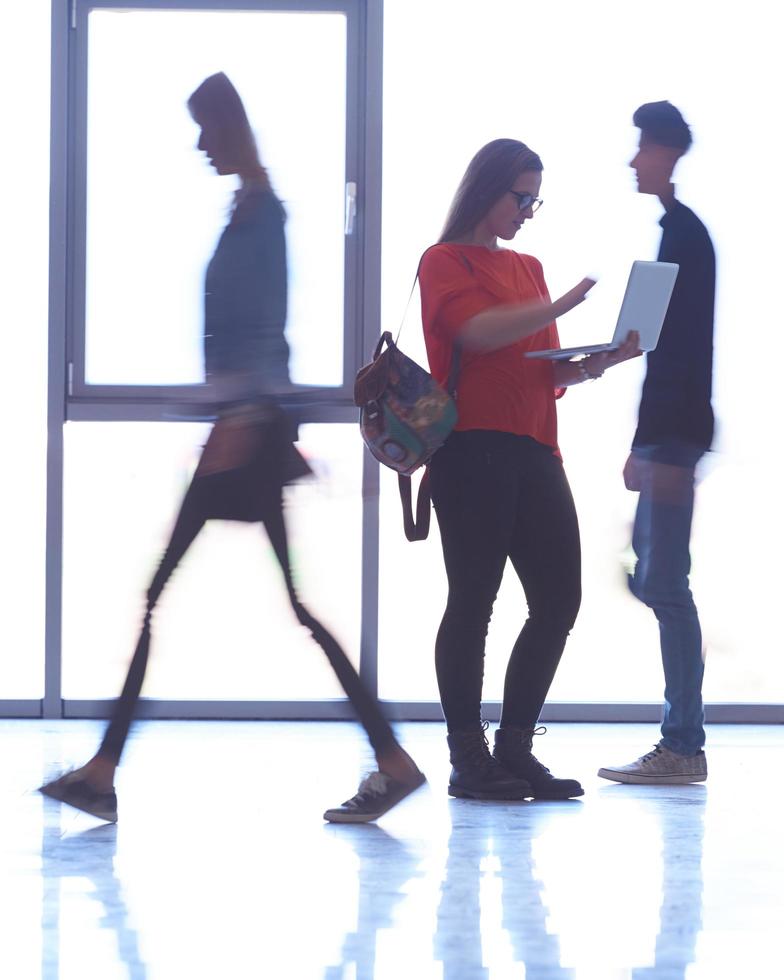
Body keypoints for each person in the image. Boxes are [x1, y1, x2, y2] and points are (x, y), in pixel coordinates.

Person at [40, 72, 424, 825]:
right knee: (298, 608)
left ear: (229, 129)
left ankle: (103, 771)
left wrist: (240, 421)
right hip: (247, 429)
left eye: (205, 131)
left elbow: (262, 331)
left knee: (174, 597)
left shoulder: (261, 216)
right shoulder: (251, 209)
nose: (200, 145)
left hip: (245, 435)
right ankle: (392, 757)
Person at [419, 138, 640, 801]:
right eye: (521, 197)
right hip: (471, 451)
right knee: (474, 602)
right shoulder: (443, 260)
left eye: (534, 199)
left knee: (557, 601)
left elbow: (540, 369)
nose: (527, 211)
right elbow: (479, 334)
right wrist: (562, 306)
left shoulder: (530, 267)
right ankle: (468, 757)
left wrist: (598, 361)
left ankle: (515, 749)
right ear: (486, 189)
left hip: (536, 448)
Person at [598, 101, 715, 785]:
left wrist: (663, 447)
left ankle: (683, 745)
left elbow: (678, 351)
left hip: (676, 433)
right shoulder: (677, 233)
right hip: (669, 434)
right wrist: (646, 445)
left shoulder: (686, 237)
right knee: (659, 581)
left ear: (667, 151)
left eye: (642, 147)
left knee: (666, 586)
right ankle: (682, 741)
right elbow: (656, 346)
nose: (633, 159)